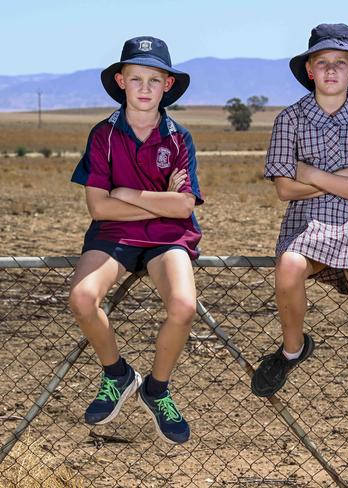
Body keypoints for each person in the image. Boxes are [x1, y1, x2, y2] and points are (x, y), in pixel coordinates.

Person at [251, 23, 348, 419]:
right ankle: (292, 348)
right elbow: (285, 190)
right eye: (322, 62)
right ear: (309, 69)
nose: (331, 70)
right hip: (308, 224)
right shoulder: (290, 120)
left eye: (341, 62)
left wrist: (315, 175)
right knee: (288, 267)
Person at [69, 36, 203, 444]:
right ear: (121, 81)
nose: (145, 88)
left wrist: (126, 195)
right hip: (114, 235)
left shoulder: (178, 137)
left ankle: (157, 389)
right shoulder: (104, 135)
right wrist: (158, 201)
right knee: (81, 299)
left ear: (167, 85)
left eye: (154, 79)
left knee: (183, 306)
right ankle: (117, 373)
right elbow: (99, 209)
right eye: (136, 78)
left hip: (167, 238)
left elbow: (183, 209)